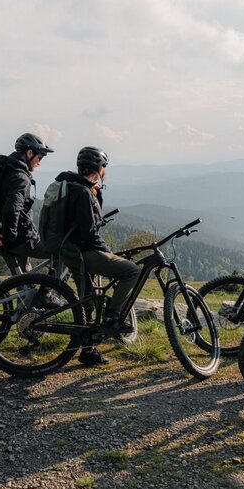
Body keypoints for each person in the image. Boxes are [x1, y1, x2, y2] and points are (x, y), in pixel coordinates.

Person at [53, 146, 140, 359]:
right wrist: (108, 252)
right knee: (132, 271)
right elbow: (89, 233)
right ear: (99, 169)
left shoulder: (71, 185)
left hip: (68, 251)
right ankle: (113, 317)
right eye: (104, 167)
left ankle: (88, 351)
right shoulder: (83, 192)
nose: (105, 171)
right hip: (82, 252)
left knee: (87, 301)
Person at [0, 133, 54, 271]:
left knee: (24, 283)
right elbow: (11, 210)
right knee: (64, 253)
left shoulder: (4, 169)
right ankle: (49, 292)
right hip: (17, 239)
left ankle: (22, 291)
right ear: (30, 153)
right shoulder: (20, 177)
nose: (39, 162)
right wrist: (8, 239)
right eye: (39, 157)